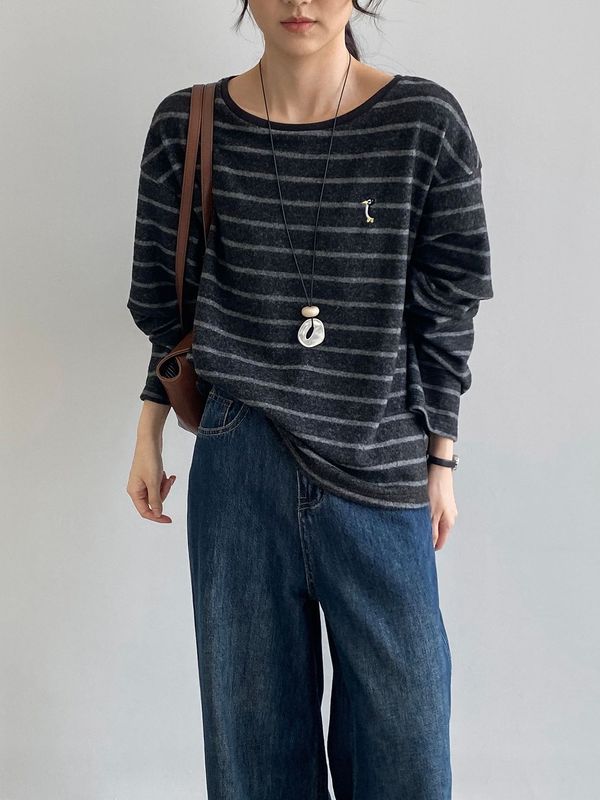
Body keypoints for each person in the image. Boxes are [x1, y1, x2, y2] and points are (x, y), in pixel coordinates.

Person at [126, 1, 494, 797]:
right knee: (254, 751)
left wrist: (441, 459)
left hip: (380, 460)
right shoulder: (186, 127)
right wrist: (149, 432)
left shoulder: (422, 123)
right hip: (239, 458)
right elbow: (170, 304)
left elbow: (447, 307)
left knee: (407, 748)